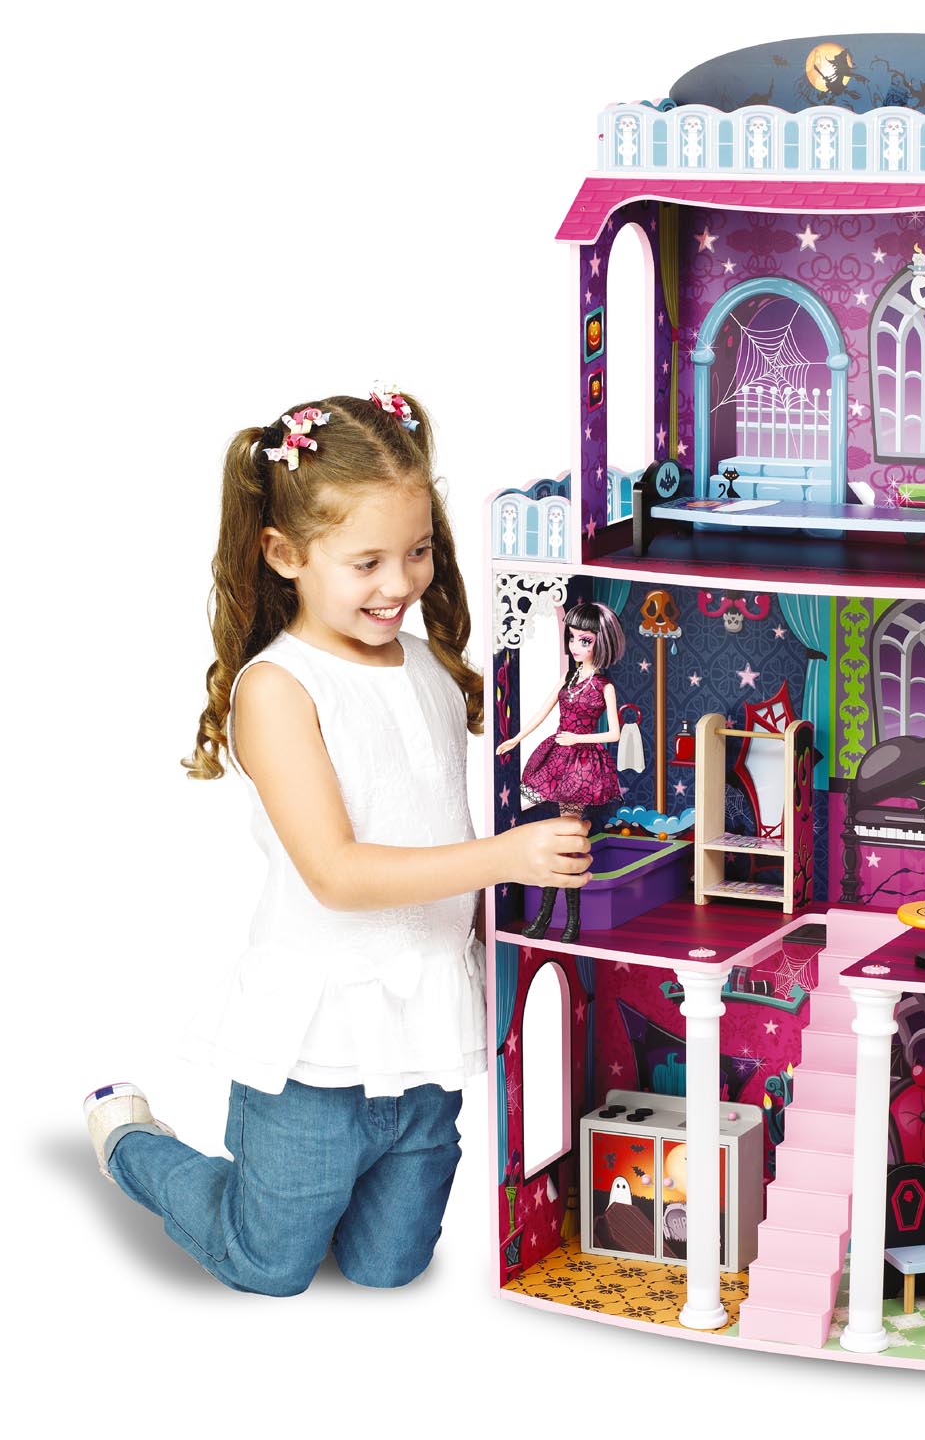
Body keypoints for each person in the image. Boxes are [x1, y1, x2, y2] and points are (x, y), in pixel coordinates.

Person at [83, 387, 590, 1296]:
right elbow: (337, 874)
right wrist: (509, 858)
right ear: (286, 555)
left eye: (418, 551)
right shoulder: (278, 689)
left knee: (389, 1267)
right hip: (316, 1055)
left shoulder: (428, 668)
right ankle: (132, 1140)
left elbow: (435, 823)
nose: (399, 585)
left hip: (424, 1036)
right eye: (367, 563)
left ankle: (325, 1200)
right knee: (270, 1265)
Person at [495, 602, 624, 943]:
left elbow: (614, 733)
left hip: (582, 765)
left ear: (601, 642)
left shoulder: (604, 686)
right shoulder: (568, 679)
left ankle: (562, 920)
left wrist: (579, 738)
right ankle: (553, 919)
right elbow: (542, 713)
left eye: (585, 640)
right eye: (572, 639)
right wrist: (516, 739)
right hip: (558, 757)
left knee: (567, 845)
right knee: (563, 843)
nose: (575, 646)